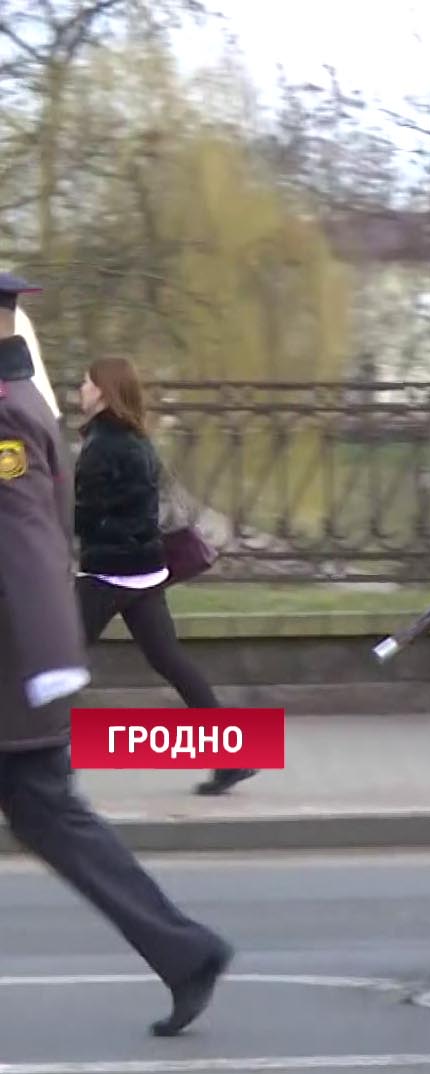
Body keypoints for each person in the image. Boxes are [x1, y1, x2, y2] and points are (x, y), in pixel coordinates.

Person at [0, 271, 233, 1036]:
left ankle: (236, 752)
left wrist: (52, 655)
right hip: (52, 641)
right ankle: (184, 948)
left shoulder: (9, 415)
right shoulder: (30, 405)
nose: (82, 389)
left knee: (60, 816)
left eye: (91, 384)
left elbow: (27, 538)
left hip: (22, 664)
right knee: (57, 820)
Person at [71, 357, 254, 798]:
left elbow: (86, 517)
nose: (79, 388)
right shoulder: (133, 438)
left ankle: (33, 766)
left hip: (109, 574)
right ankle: (234, 756)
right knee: (168, 659)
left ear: (102, 391)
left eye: (85, 382)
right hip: (143, 572)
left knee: (53, 661)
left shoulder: (106, 445)